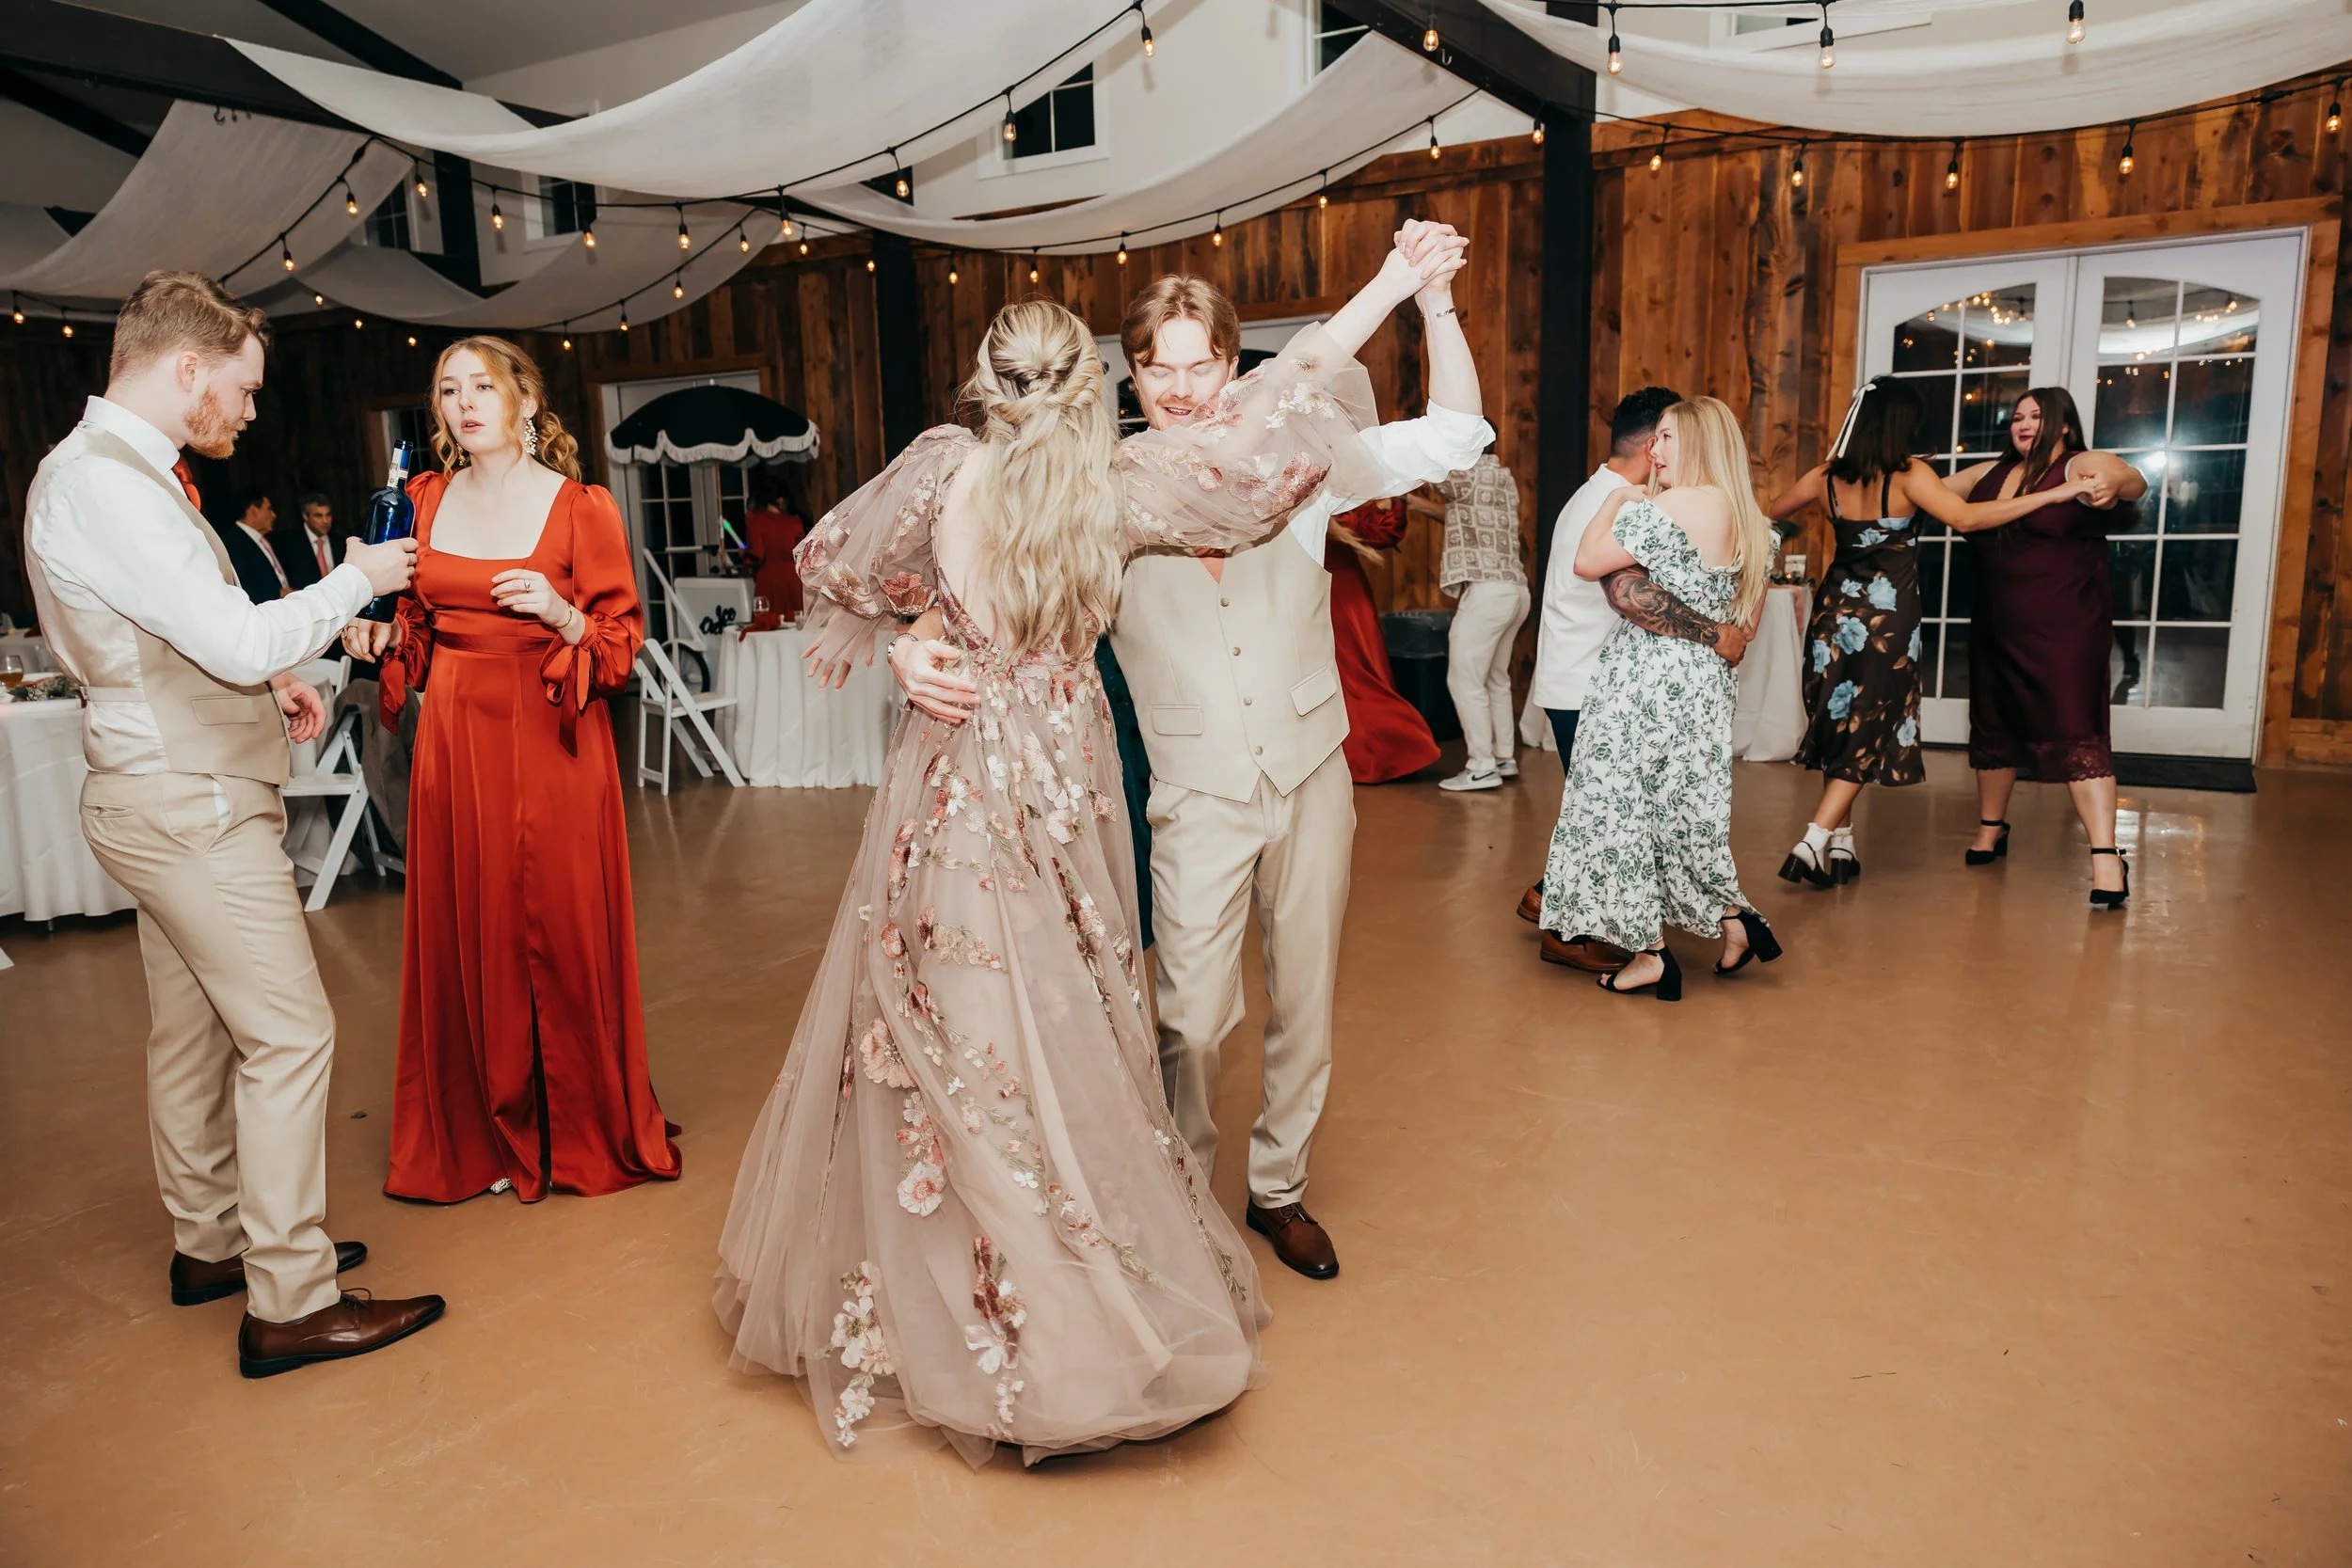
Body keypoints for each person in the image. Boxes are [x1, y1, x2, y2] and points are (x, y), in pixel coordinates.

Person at [715, 241, 1456, 1466]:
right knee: (1002, 1029)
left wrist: (884, 628)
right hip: (1022, 785)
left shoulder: (1081, 480)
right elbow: (853, 568)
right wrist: (898, 638)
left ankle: (1001, 1266)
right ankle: (1019, 1287)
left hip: (994, 791)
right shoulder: (1102, 483)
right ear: (1084, 390)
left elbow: (839, 563)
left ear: (988, 383)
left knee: (989, 1029)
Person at [884, 229, 1488, 1281]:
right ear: (1130, 376)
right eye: (1154, 365)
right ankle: (1175, 1190)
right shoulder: (1101, 490)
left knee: (1305, 994)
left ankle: (1279, 1188)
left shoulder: (1301, 461)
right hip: (1192, 793)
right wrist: (910, 648)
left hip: (1310, 771)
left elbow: (1454, 434)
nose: (1177, 385)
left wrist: (1431, 300)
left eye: (1197, 360)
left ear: (1232, 363)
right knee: (1193, 1017)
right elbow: (980, 586)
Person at [24, 269, 443, 1376]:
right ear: (187, 368)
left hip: (154, 788)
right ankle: (293, 1296)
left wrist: (278, 677)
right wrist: (352, 580)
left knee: (197, 1029)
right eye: (244, 389)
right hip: (189, 806)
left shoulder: (107, 475)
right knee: (291, 1033)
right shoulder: (107, 486)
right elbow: (232, 638)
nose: (250, 412)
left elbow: (177, 640)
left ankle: (214, 1241)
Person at [342, 336, 681, 1202]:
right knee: (472, 926)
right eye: (448, 390)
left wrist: (563, 613)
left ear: (526, 400)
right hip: (456, 739)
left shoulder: (580, 508)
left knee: (559, 927)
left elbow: (619, 647)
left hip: (553, 735)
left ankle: (573, 1124)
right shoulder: (422, 497)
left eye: (482, 387)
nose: (463, 403)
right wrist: (380, 636)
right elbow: (411, 628)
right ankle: (484, 1130)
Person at [1765, 377, 2100, 887]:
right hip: (1887, 621)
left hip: (1833, 614)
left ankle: (1842, 847)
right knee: (1871, 725)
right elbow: (1967, 518)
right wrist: (2058, 493)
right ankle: (1814, 838)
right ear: (1902, 423)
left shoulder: (1825, 475)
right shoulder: (1908, 475)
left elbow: (1768, 511)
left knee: (1842, 722)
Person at [1539, 396, 1783, 1001]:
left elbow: (1588, 560)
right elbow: (1743, 628)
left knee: (1621, 813)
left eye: (1668, 438)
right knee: (1682, 813)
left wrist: (1622, 497)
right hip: (1704, 687)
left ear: (1698, 442)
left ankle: (1649, 952)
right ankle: (1734, 924)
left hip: (1644, 682)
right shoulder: (1754, 521)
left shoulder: (1674, 505)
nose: (1656, 451)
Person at [1947, 388, 2146, 908]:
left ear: (2062, 425)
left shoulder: (2080, 463)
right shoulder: (1988, 474)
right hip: (1996, 622)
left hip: (2066, 625)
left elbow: (2133, 480)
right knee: (1993, 720)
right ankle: (1991, 828)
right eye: (2016, 416)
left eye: (2037, 416)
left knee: (2075, 724)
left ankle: (2106, 857)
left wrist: (2109, 484)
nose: (2024, 423)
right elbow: (1929, 495)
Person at [1429, 452, 1530, 792]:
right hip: (1516, 589)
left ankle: (1481, 766)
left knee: (1464, 680)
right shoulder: (1503, 475)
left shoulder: (1465, 473)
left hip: (1487, 592)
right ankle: (1503, 756)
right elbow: (1458, 511)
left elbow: (1428, 469)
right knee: (1495, 679)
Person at [1327, 497, 1440, 784]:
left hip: (1339, 592)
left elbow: (1379, 533)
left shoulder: (1342, 487)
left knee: (1355, 674)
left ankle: (1386, 751)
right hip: (1310, 589)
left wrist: (1391, 505)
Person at [740, 466, 807, 628]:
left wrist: (744, 555)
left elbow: (758, 553)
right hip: (793, 579)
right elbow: (804, 554)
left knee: (767, 625)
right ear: (781, 500)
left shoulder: (755, 520)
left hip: (768, 578)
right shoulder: (795, 521)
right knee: (795, 626)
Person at [215, 490, 290, 604]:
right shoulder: (233, 543)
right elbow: (237, 586)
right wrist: (277, 593)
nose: (274, 515)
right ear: (253, 510)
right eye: (269, 509)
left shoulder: (264, 539)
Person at [282, 491, 337, 591]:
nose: (325, 521)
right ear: (305, 516)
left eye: (328, 515)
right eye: (318, 516)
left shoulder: (339, 541)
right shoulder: (289, 544)